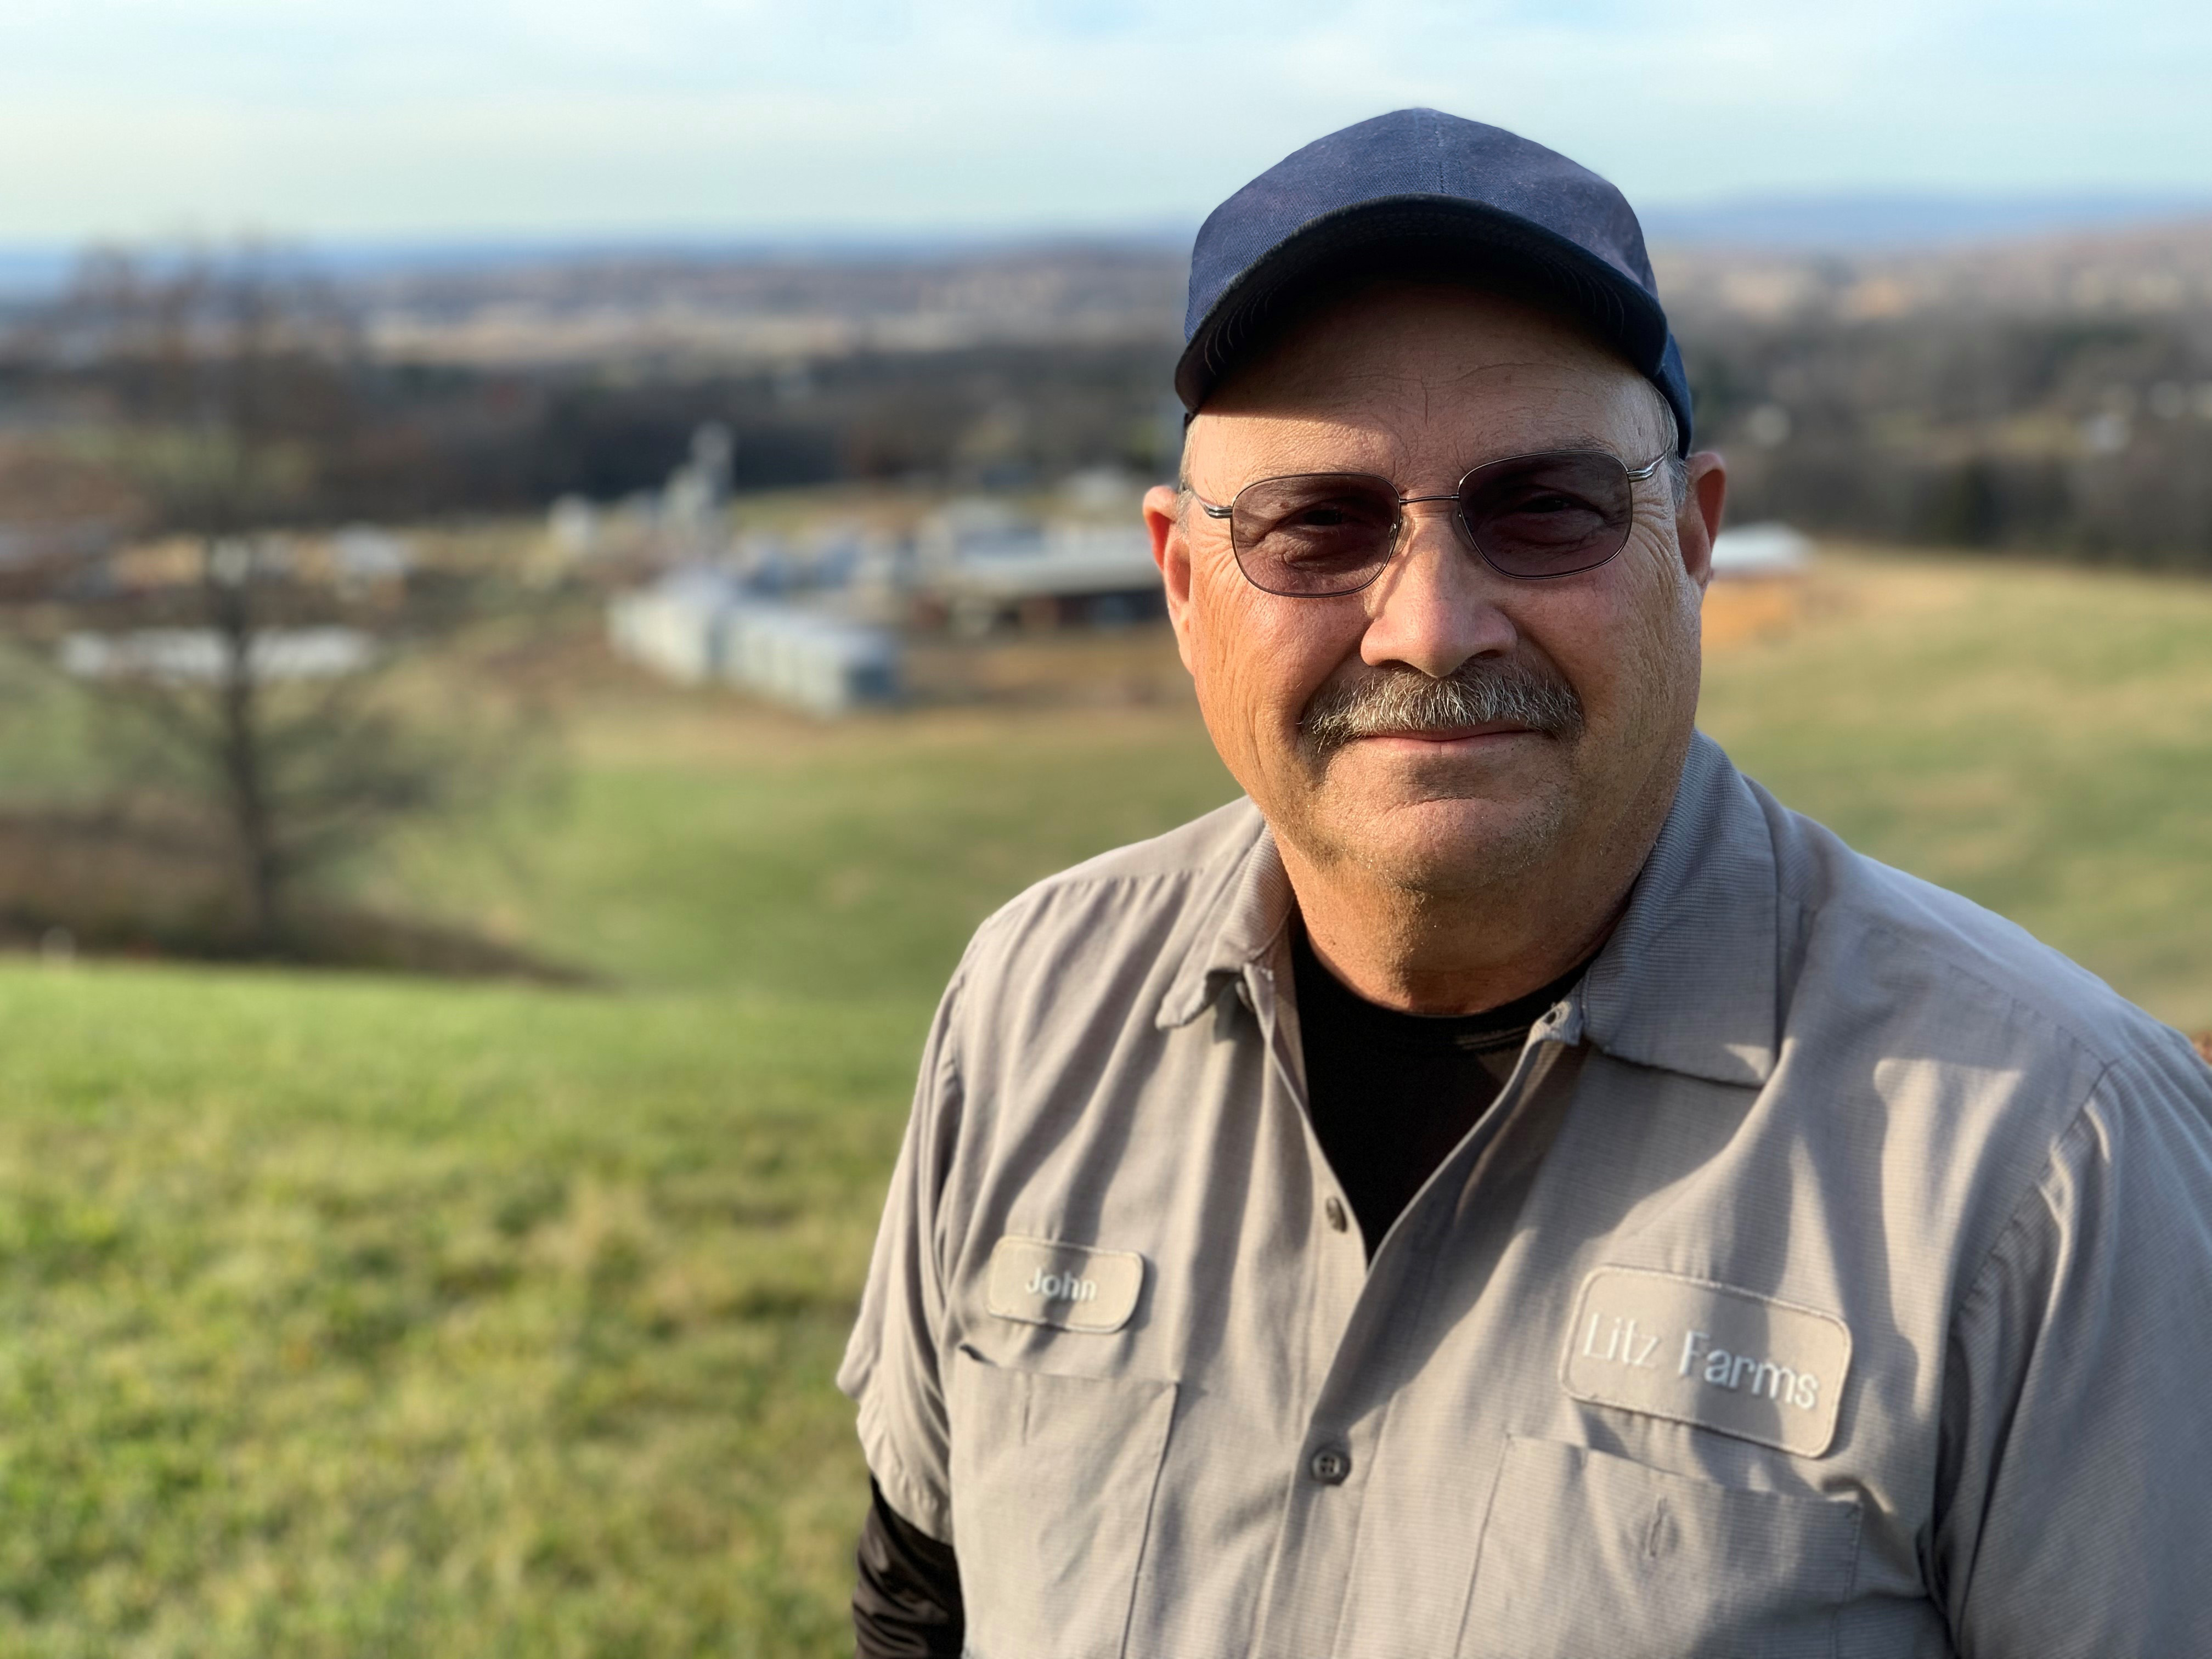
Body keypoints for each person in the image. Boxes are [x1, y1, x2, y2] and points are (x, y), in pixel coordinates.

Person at [839, 108, 2212, 1658]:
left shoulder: (2052, 1163)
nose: (1433, 625)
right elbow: (921, 1597)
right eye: (1318, 526)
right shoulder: (1029, 1010)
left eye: (1545, 510)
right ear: (1180, 580)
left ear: (1693, 543)